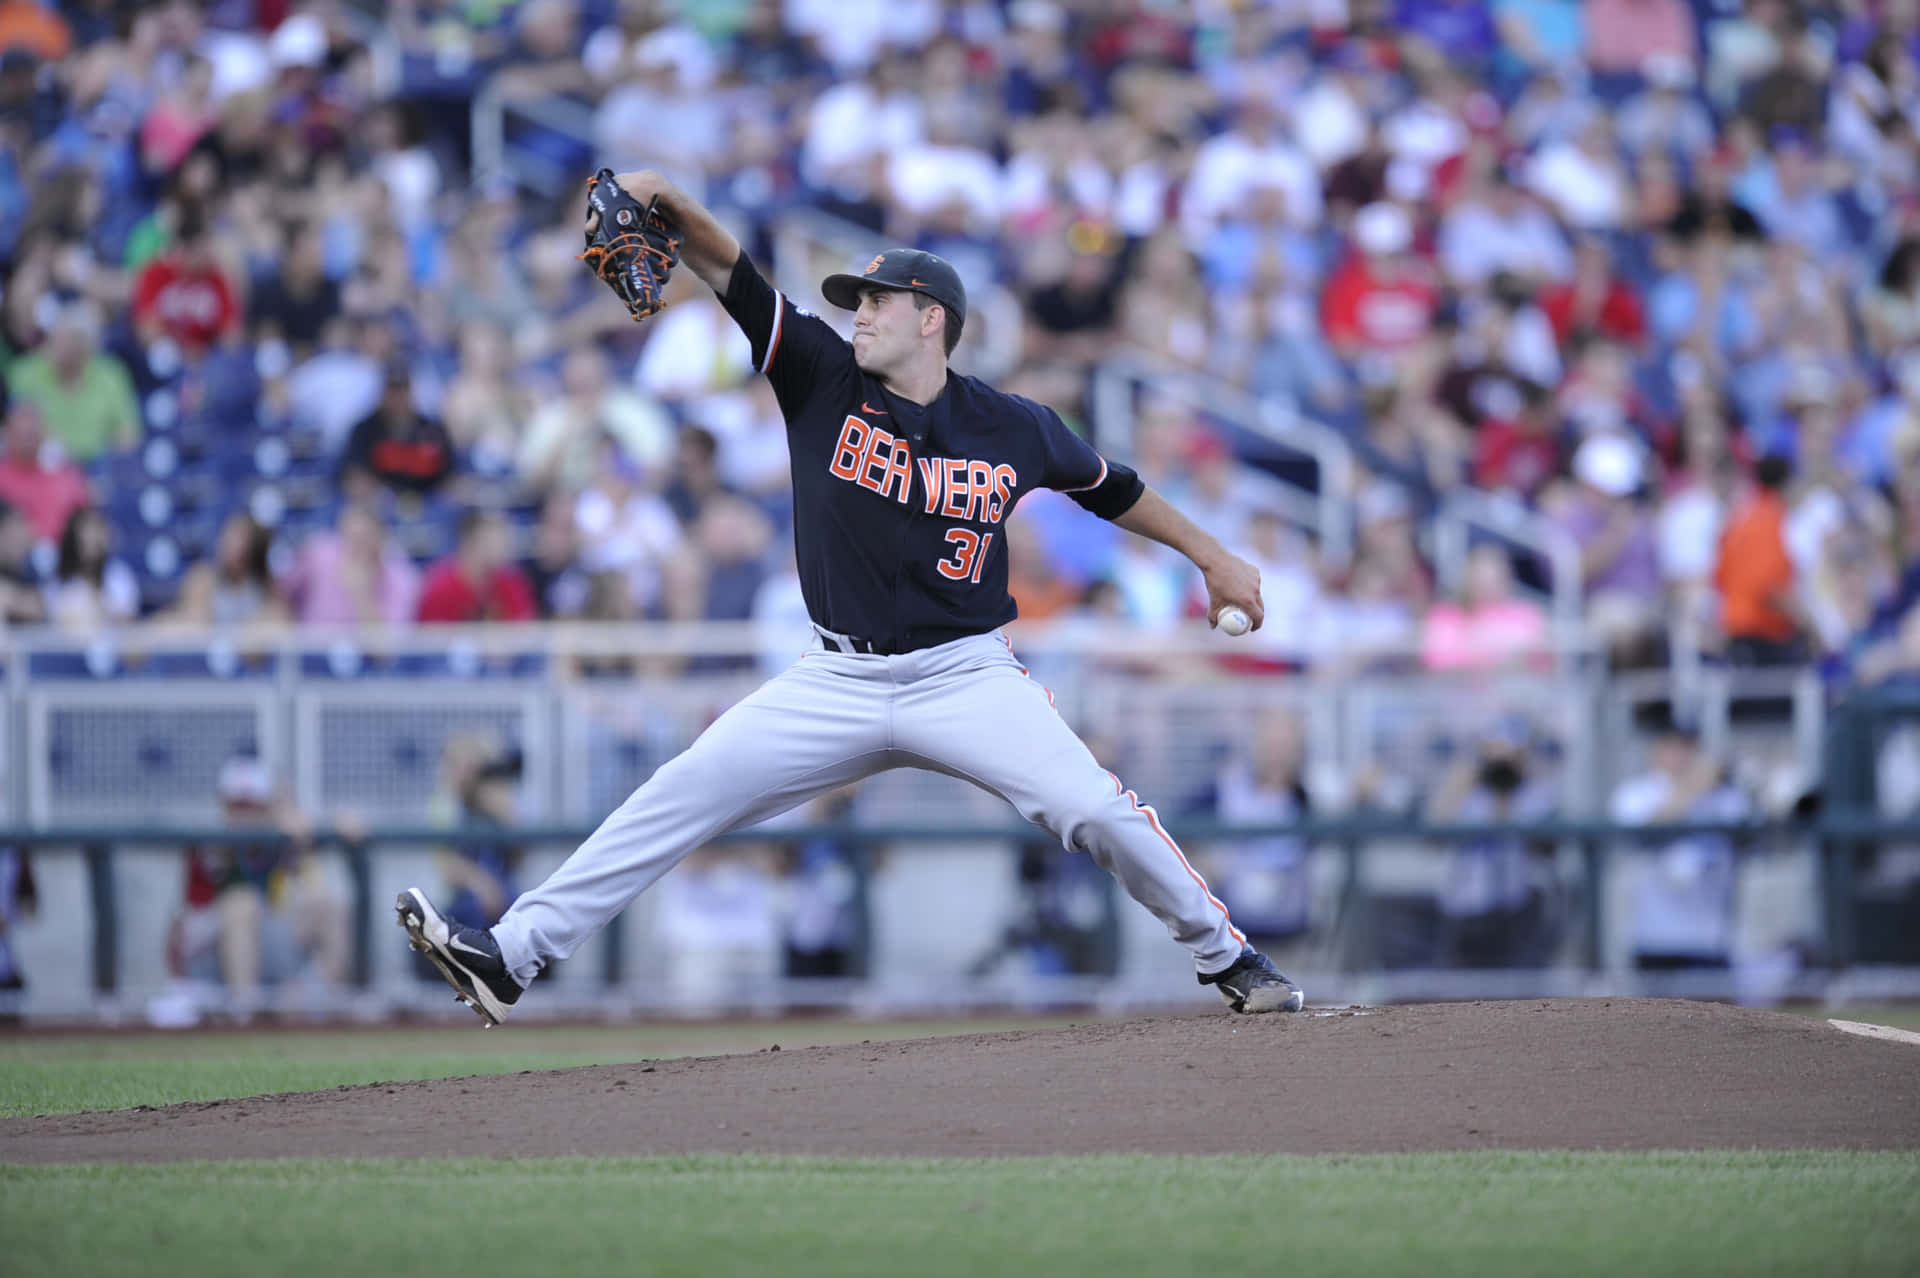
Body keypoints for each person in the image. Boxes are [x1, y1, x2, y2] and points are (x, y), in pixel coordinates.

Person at [399, 168, 1302, 1023]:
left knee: (1095, 808)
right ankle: (508, 957)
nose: (858, 315)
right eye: (854, 302)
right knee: (682, 790)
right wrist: (664, 194)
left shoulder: (1013, 424)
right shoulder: (820, 377)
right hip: (835, 679)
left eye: (876, 301)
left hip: (965, 675)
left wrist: (1211, 555)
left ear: (933, 320)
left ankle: (1228, 957)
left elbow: (1113, 485)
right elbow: (722, 264)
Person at [172, 755, 350, 1021]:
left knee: (327, 907)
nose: (245, 816)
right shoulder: (210, 844)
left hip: (262, 949)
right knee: (241, 905)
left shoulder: (278, 839)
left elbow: (306, 883)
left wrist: (307, 831)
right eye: (238, 806)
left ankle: (307, 1008)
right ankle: (244, 1018)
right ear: (224, 806)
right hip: (206, 960)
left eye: (254, 807)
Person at [1610, 708, 1750, 978]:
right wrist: (1693, 787)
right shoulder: (1635, 793)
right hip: (1655, 937)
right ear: (1656, 750)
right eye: (1672, 745)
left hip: (1711, 937)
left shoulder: (1726, 797)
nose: (1680, 754)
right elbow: (1645, 831)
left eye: (1687, 746)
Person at [5, 299, 140, 461]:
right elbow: (16, 430)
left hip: (99, 467)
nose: (62, 347)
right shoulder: (25, 373)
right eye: (58, 338)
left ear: (88, 348)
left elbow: (129, 433)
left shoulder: (111, 375)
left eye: (73, 341)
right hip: (42, 464)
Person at [161, 510, 289, 629]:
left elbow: (280, 622)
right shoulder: (202, 578)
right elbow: (193, 626)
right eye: (229, 537)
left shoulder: (266, 586)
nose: (231, 545)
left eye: (240, 539)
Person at [416, 509, 538, 624]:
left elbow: (523, 629)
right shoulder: (440, 586)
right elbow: (432, 639)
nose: (502, 548)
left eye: (503, 541)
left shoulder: (510, 582)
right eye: (493, 541)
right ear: (470, 542)